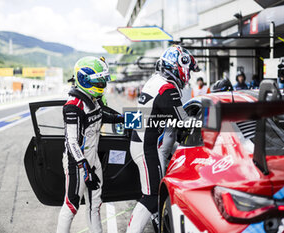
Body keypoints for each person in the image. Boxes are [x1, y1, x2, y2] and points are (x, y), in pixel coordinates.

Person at [126, 45, 198, 233]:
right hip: (145, 147)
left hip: (140, 142)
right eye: (188, 69)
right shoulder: (167, 88)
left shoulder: (155, 80)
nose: (188, 74)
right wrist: (210, 121)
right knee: (151, 197)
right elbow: (185, 122)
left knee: (151, 194)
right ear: (179, 65)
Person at [57, 56, 123, 233]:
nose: (102, 84)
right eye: (98, 80)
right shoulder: (73, 105)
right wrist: (85, 170)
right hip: (76, 163)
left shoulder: (94, 100)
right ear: (84, 79)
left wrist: (124, 119)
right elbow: (72, 142)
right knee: (71, 206)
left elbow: (102, 116)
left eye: (103, 80)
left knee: (95, 205)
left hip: (93, 159)